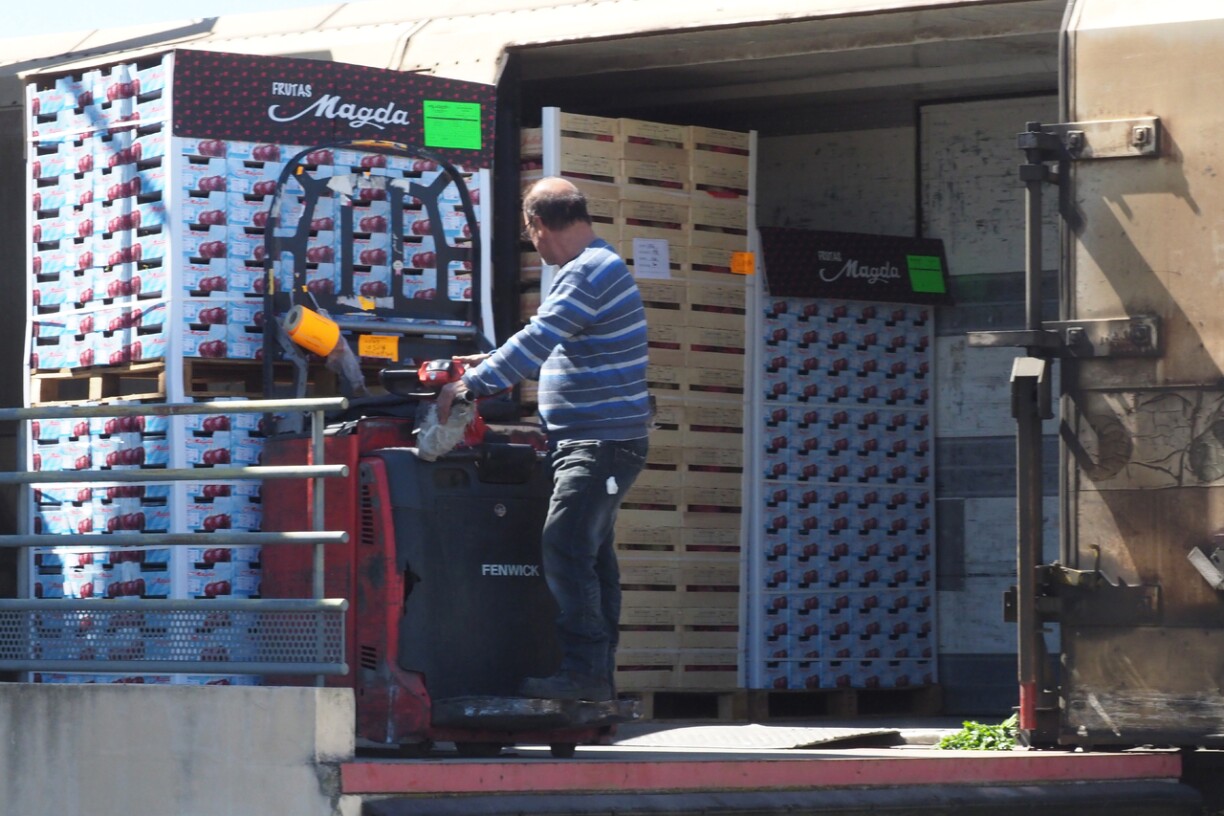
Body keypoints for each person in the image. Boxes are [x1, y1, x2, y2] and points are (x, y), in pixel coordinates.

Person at [436, 176, 651, 702]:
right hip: (590, 440)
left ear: (537, 226)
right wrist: (483, 364)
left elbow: (538, 338)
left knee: (566, 546)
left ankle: (584, 674)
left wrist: (471, 385)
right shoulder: (592, 269)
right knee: (592, 555)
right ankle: (595, 676)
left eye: (530, 233)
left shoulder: (589, 273)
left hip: (600, 443)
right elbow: (547, 340)